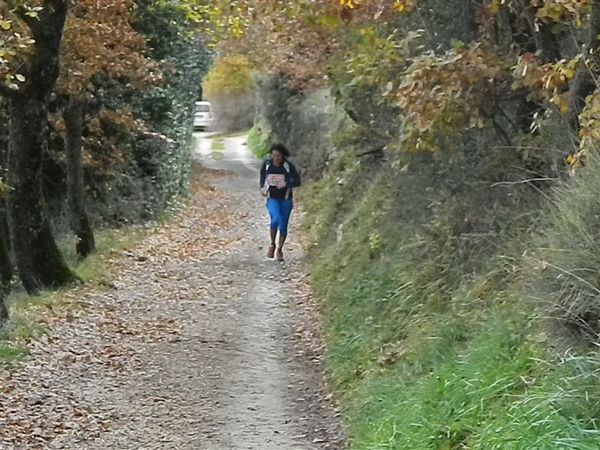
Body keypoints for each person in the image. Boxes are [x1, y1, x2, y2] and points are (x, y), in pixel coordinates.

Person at [260, 143, 301, 261]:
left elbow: (297, 181)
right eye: (274, 155)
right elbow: (263, 177)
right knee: (275, 219)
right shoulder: (267, 165)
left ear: (282, 156)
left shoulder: (288, 166)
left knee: (283, 226)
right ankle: (272, 244)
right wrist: (262, 188)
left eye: (278, 156)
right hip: (272, 198)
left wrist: (286, 184)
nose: (276, 158)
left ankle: (280, 249)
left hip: (286, 199)